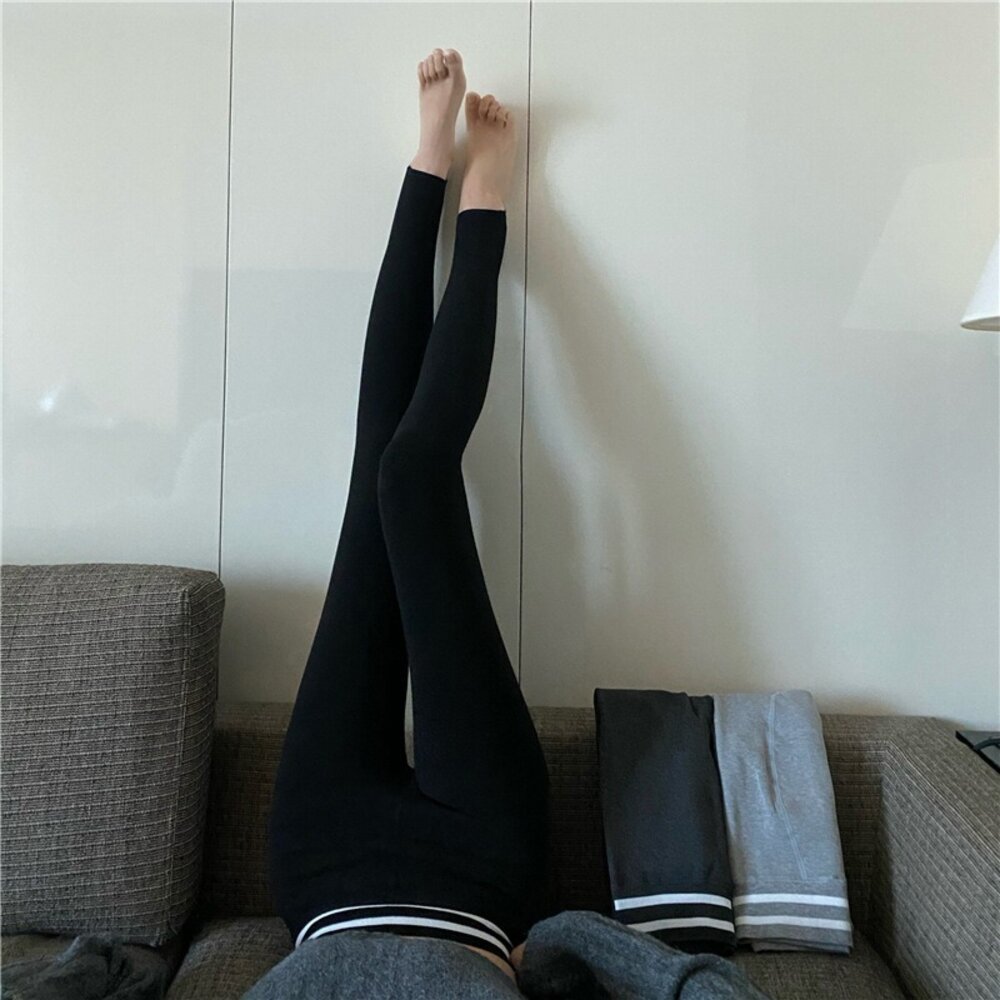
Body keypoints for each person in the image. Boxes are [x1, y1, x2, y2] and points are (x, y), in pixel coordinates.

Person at [246, 48, 773, 1000]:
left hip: (324, 873)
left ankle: (429, 166)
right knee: (408, 477)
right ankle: (481, 204)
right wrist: (584, 950)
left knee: (376, 476)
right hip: (482, 870)